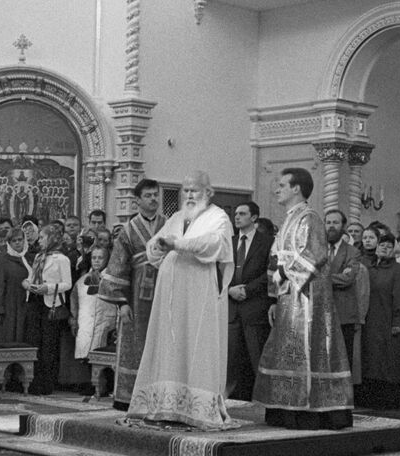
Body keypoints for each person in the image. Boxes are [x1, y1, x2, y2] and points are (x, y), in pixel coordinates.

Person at [127, 171, 237, 429]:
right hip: (170, 288)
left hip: (198, 286)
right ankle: (165, 404)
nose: (188, 195)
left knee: (196, 341)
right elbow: (155, 246)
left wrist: (179, 244)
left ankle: (197, 407)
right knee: (169, 342)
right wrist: (158, 245)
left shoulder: (218, 217)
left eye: (194, 190)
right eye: (185, 190)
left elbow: (214, 244)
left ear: (207, 193)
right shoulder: (176, 217)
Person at [254, 167, 353, 428]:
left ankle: (310, 410)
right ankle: (285, 408)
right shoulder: (288, 218)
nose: (277, 189)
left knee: (310, 349)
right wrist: (275, 296)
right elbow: (276, 258)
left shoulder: (310, 218)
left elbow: (315, 254)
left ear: (296, 188)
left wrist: (284, 273)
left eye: (282, 185)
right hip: (289, 296)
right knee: (285, 351)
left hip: (308, 298)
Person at [99, 178, 166, 411]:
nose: (154, 199)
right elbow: (118, 267)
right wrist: (122, 303)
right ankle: (128, 397)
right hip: (136, 299)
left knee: (163, 343)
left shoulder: (169, 226)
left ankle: (162, 396)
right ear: (137, 200)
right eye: (148, 195)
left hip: (164, 294)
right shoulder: (128, 231)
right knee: (134, 343)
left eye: (156, 195)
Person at [226, 200, 272, 401]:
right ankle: (235, 397)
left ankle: (261, 399)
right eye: (236, 213)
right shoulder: (229, 241)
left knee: (256, 356)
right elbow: (219, 272)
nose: (237, 217)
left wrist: (247, 289)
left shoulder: (267, 242)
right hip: (232, 307)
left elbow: (269, 273)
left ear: (254, 217)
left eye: (242, 213)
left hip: (254, 306)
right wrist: (229, 290)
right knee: (232, 358)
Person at [360, 228, 400, 408]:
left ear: (394, 249)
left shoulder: (399, 270)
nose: (384, 249)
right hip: (369, 321)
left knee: (388, 361)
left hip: (388, 321)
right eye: (382, 245)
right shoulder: (368, 267)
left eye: (389, 246)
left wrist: (398, 321)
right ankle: (369, 399)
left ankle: (388, 401)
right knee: (370, 360)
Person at [24, 223, 72, 395]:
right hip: (35, 301)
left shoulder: (62, 259)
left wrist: (49, 288)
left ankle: (47, 382)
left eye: (43, 237)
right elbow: (32, 277)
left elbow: (67, 284)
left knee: (49, 344)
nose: (40, 240)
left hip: (50, 303)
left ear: (52, 239)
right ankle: (33, 380)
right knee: (35, 341)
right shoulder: (38, 257)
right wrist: (27, 284)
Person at [324, 208, 365, 376]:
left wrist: (321, 278)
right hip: (320, 312)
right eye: (328, 223)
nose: (331, 226)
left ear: (343, 226)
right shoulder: (317, 249)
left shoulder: (352, 251)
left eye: (335, 222)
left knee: (342, 360)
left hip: (343, 314)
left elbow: (347, 279)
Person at [72, 244, 118, 362]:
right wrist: (74, 321)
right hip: (85, 330)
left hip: (107, 329)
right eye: (94, 258)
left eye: (100, 258)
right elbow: (74, 304)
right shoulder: (82, 281)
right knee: (87, 363)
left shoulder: (113, 280)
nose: (96, 261)